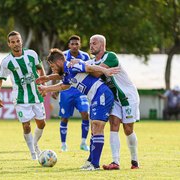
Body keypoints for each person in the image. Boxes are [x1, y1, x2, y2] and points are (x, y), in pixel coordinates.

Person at [37, 48, 119, 170]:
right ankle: (91, 161)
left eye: (52, 65)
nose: (52, 68)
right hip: (95, 96)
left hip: (101, 93)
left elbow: (89, 68)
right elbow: (63, 86)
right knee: (94, 128)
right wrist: (46, 88)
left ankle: (95, 165)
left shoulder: (72, 65)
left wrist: (104, 71)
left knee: (97, 126)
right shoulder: (66, 73)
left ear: (59, 61)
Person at [83, 34, 140, 170]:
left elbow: (96, 74)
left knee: (128, 129)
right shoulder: (91, 62)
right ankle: (115, 162)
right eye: (90, 43)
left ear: (102, 45)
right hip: (113, 98)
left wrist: (85, 68)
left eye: (94, 43)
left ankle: (135, 161)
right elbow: (84, 70)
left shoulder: (111, 56)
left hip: (127, 97)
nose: (91, 46)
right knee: (113, 125)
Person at [0, 31, 46, 160]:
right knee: (26, 125)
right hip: (20, 97)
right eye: (13, 42)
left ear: (21, 41)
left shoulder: (31, 54)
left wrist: (44, 85)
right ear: (9, 44)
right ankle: (33, 153)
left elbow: (40, 68)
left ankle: (35, 143)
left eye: (18, 41)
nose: (16, 44)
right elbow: (0, 78)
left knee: (42, 124)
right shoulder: (7, 62)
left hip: (36, 95)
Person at [52, 35, 90, 152]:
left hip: (80, 91)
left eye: (76, 44)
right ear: (69, 45)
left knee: (85, 114)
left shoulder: (85, 56)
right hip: (66, 91)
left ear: (80, 45)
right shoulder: (62, 56)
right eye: (72, 44)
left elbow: (89, 70)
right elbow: (57, 72)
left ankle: (83, 143)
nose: (74, 46)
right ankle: (63, 144)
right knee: (64, 117)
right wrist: (55, 88)